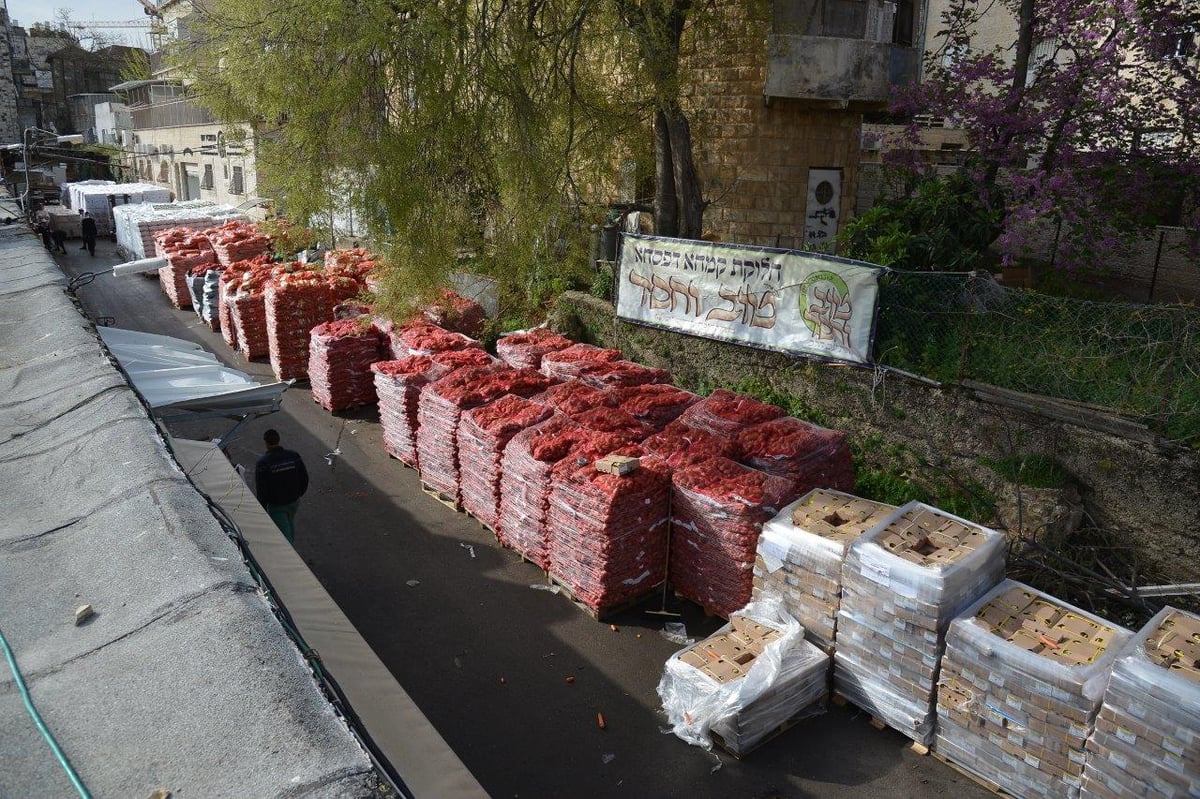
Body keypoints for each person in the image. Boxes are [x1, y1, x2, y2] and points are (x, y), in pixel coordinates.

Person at [255, 429, 309, 543]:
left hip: (277, 505)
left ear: (266, 443)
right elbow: (304, 477)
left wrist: (262, 508)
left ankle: (291, 558)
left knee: (285, 538)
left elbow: (261, 489)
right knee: (289, 523)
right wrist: (299, 493)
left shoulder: (263, 463)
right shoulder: (294, 456)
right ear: (279, 440)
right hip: (294, 501)